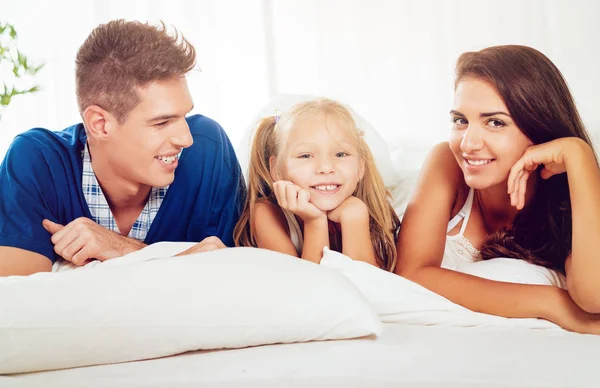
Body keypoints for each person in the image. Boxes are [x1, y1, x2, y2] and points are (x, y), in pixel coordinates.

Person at [0, 19, 246, 276]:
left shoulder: (208, 151)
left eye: (183, 116)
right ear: (101, 124)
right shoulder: (36, 161)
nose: (186, 139)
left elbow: (231, 281)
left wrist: (121, 249)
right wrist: (177, 261)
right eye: (162, 122)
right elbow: (19, 299)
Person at [396, 45, 600, 333]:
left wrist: (579, 155)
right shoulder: (446, 162)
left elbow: (594, 297)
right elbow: (411, 274)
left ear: (540, 129)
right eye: (460, 120)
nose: (468, 143)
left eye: (495, 122)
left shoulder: (567, 197)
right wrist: (553, 303)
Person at [233, 98, 399, 271]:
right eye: (306, 156)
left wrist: (354, 218)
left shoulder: (368, 211)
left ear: (361, 167)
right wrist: (314, 221)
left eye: (341, 154)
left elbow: (369, 288)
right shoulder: (267, 214)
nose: (326, 168)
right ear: (276, 169)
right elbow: (308, 291)